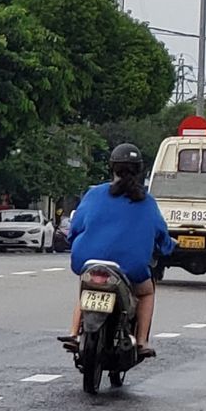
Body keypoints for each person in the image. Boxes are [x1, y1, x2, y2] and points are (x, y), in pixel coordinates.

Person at [60, 144, 174, 359]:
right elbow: (161, 234)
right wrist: (168, 247)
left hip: (88, 259)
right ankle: (141, 342)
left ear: (112, 167)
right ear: (139, 169)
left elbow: (76, 226)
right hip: (130, 267)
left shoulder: (94, 194)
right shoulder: (146, 201)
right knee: (147, 292)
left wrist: (75, 240)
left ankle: (74, 333)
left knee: (87, 286)